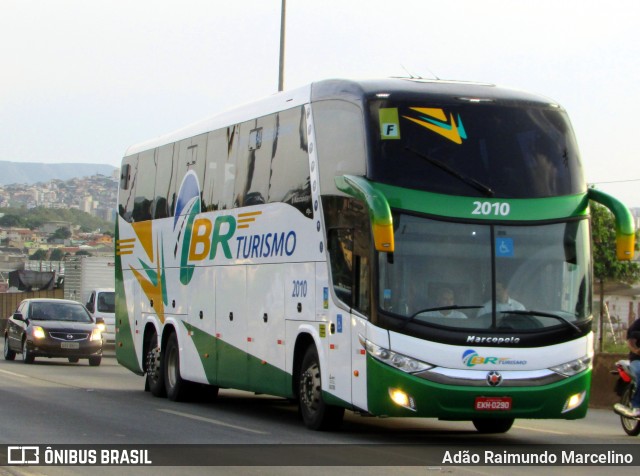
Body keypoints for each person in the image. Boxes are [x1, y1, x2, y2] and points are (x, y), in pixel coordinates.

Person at [624, 316, 640, 417]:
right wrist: (636, 350)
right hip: (637, 359)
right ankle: (636, 405)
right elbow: (630, 342)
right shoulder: (637, 324)